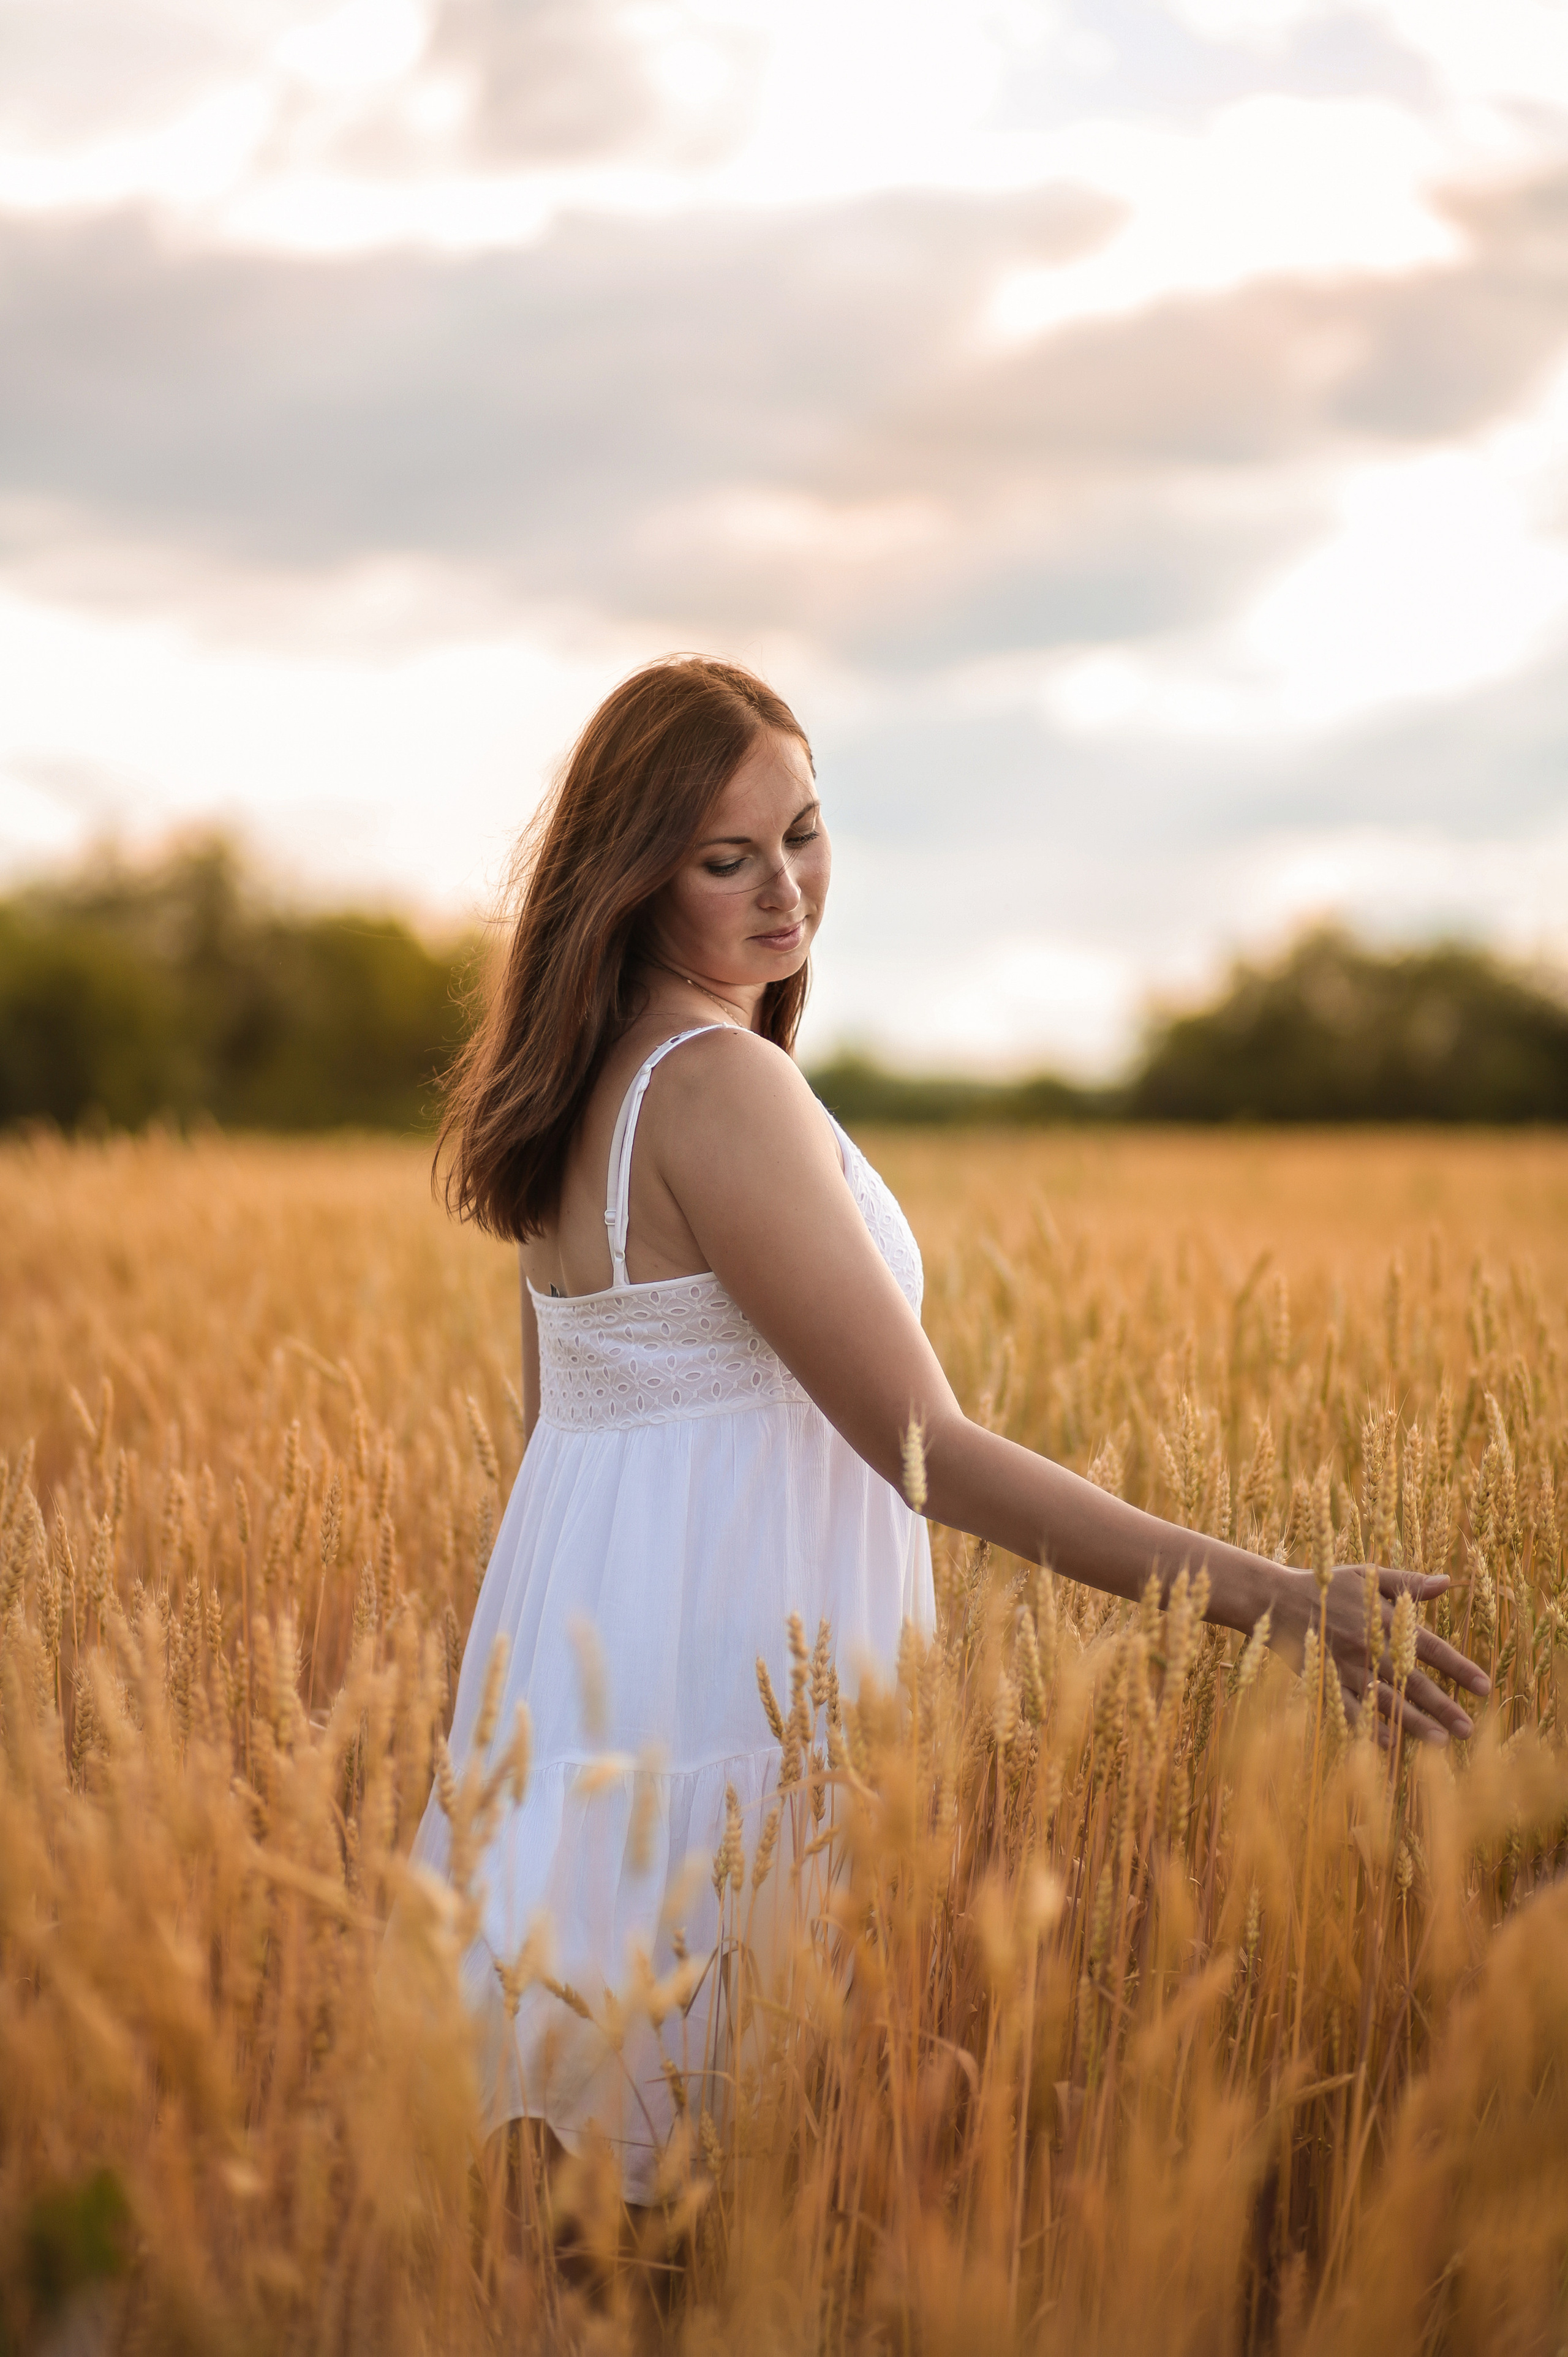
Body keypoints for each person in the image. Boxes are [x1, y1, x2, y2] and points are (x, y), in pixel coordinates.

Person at [413, 654, 1489, 2198]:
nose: (785, 889)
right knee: (742, 2190)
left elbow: (557, 1442)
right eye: (727, 859)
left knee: (600, 2208)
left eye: (803, 830)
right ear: (633, 877)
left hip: (590, 1703)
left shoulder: (580, 1089)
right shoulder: (719, 1085)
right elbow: (925, 1449)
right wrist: (1274, 1601)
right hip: (736, 1707)